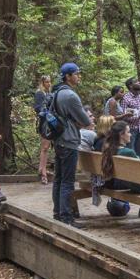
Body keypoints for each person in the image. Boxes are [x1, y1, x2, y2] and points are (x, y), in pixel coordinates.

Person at [49, 63, 93, 226]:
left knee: (59, 179)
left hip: (58, 140)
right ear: (68, 76)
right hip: (69, 141)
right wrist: (78, 122)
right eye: (77, 74)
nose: (79, 76)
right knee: (67, 181)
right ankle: (67, 217)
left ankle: (57, 213)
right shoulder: (70, 96)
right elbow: (86, 121)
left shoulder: (56, 92)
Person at [33, 74, 54, 185]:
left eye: (49, 82)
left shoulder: (49, 93)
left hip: (51, 123)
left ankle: (42, 169)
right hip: (44, 123)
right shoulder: (39, 93)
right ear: (42, 83)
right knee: (45, 147)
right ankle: (43, 173)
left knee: (46, 147)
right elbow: (37, 108)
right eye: (46, 82)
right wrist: (46, 111)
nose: (48, 84)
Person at [121, 79, 140, 156]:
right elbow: (124, 117)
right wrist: (138, 117)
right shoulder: (125, 98)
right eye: (136, 82)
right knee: (131, 151)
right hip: (130, 129)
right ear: (130, 86)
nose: (139, 82)